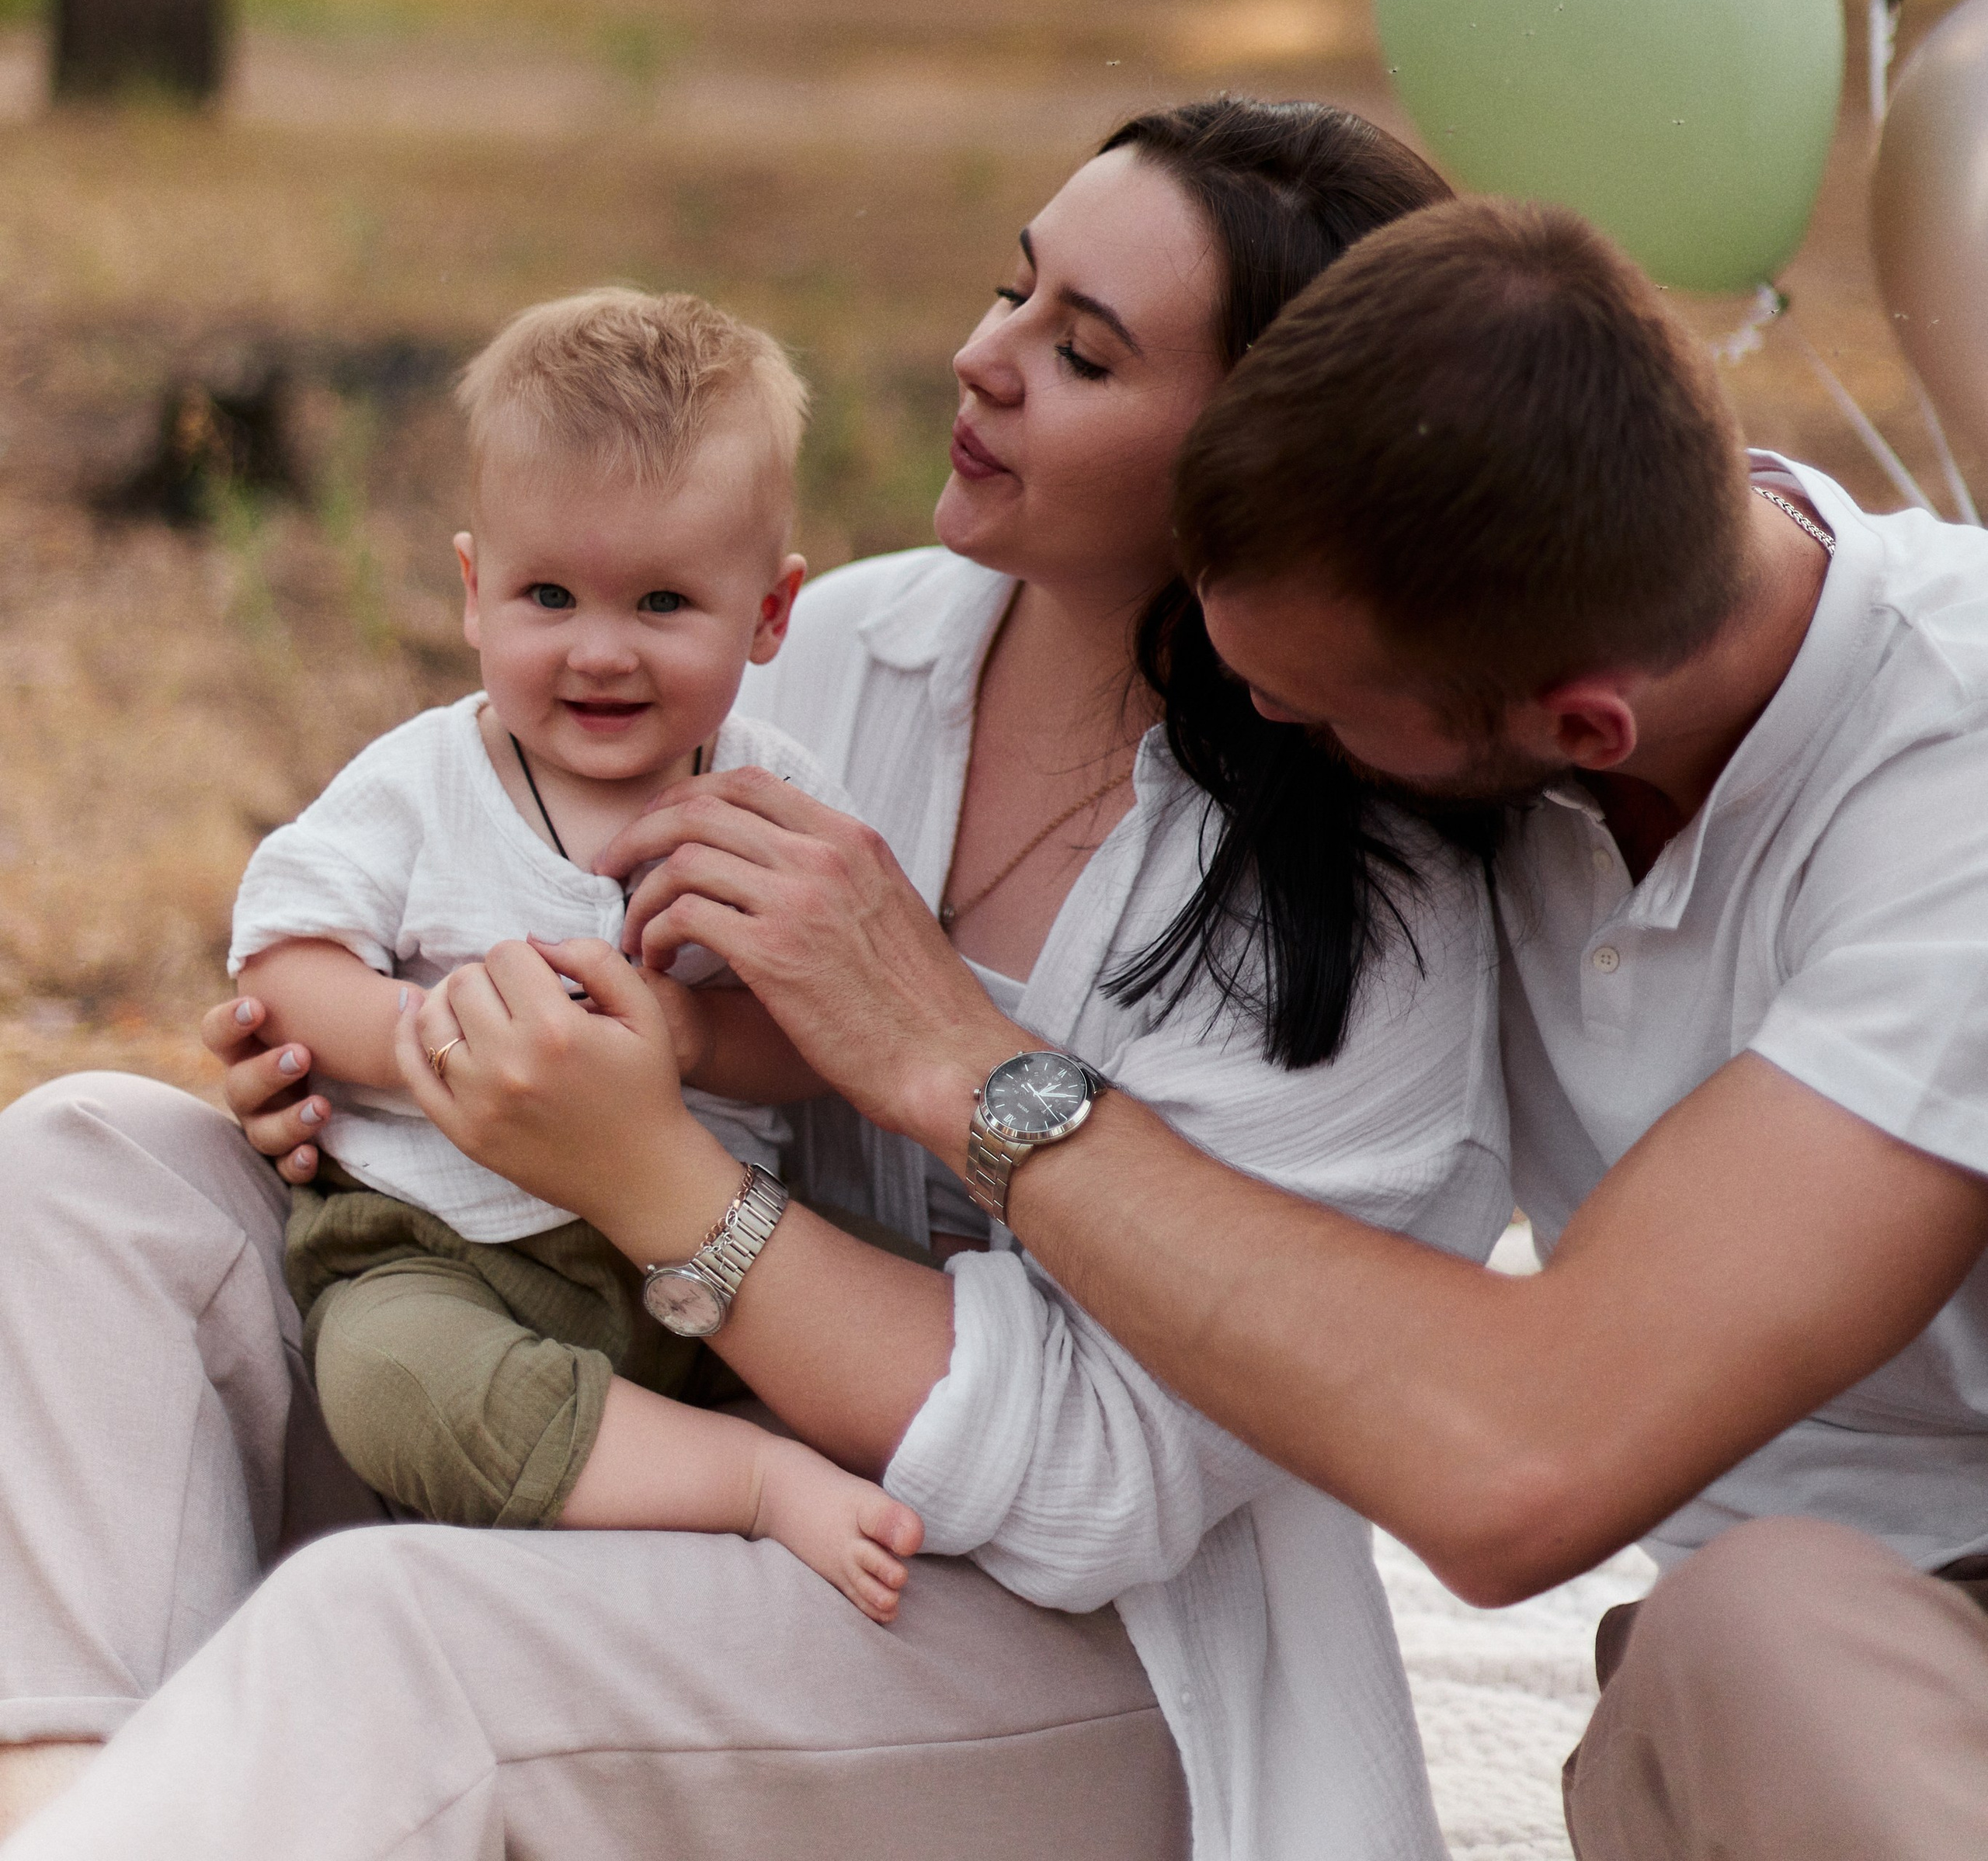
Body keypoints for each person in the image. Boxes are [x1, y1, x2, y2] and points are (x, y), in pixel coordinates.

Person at [0, 99, 1507, 1861]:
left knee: (397, 1636)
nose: (979, 357)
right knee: (91, 1162)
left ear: (1263, 456)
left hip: (1020, 1630)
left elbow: (1103, 1488)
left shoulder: (1354, 926)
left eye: (1078, 352)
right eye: (1010, 291)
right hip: (597, 1378)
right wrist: (380, 1077)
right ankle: (64, 1793)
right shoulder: (839, 651)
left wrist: (657, 1177)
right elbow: (454, 916)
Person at [570, 193, 1988, 1861]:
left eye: (1300, 711)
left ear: (1576, 726)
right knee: (1745, 1642)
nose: (1236, 732)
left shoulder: (1944, 799)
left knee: (1766, 1629)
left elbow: (1518, 1468)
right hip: (1803, 1670)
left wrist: (962, 1067)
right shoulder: (1521, 649)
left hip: (1864, 1646)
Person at [231, 284, 923, 1614]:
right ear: (475, 592)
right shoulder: (429, 781)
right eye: (549, 595)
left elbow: (830, 1034)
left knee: (903, 1331)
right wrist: (428, 1042)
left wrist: (700, 1035)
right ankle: (749, 1483)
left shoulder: (778, 802)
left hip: (706, 1258)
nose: (599, 652)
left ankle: (687, 1461)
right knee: (386, 1383)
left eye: (664, 602)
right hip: (446, 1247)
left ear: (771, 617)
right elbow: (283, 958)